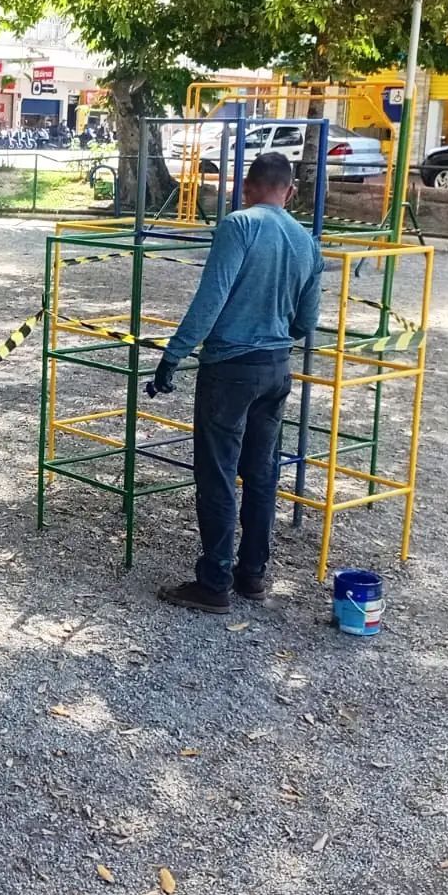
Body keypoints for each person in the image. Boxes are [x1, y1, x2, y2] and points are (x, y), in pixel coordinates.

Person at [146, 152, 323, 614]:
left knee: (218, 472)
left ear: (246, 187)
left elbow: (211, 298)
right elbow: (307, 321)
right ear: (289, 191)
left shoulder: (238, 226)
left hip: (229, 367)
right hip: (276, 368)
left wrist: (173, 355)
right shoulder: (307, 242)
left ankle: (214, 581)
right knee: (262, 472)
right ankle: (253, 574)